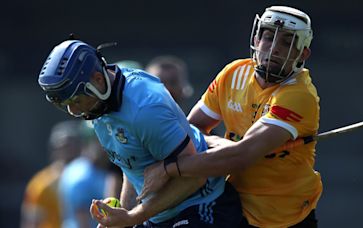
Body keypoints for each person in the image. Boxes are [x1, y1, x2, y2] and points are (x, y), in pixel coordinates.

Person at [139, 5, 322, 228]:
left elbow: (240, 158)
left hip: (286, 217)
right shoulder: (233, 73)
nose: (274, 48)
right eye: (268, 37)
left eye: (287, 42)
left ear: (303, 53)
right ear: (256, 38)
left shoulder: (299, 96)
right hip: (232, 207)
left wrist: (168, 169)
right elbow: (189, 131)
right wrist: (224, 144)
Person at [37, 39, 243, 227]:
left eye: (76, 101)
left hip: (202, 205)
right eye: (67, 105)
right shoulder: (99, 105)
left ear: (98, 80)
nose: (73, 112)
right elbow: (131, 167)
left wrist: (134, 217)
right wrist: (123, 218)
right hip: (159, 213)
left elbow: (194, 177)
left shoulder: (145, 109)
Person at [58, 120, 122, 228]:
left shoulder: (104, 170)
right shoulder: (80, 176)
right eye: (101, 140)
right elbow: (83, 220)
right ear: (89, 142)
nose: (108, 145)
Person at [20, 120, 82, 228]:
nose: (69, 151)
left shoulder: (90, 177)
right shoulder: (41, 183)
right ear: (54, 149)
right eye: (64, 146)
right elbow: (31, 221)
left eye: (73, 145)